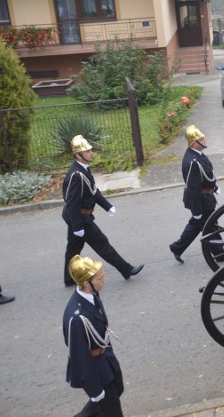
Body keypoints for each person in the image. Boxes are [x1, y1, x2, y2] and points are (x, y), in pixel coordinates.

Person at [62, 135, 142, 286]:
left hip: (79, 218)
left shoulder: (83, 170)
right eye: (87, 151)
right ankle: (126, 269)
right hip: (80, 219)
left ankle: (68, 278)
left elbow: (93, 191)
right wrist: (77, 226)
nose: (91, 153)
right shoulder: (76, 175)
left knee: (73, 249)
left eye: (90, 150)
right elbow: (71, 203)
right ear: (77, 155)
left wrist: (107, 206)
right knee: (102, 244)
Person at [64, 254, 125, 416]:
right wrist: (95, 390)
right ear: (86, 283)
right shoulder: (77, 318)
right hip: (94, 369)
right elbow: (80, 358)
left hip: (105, 360)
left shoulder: (92, 295)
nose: (103, 279)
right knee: (111, 409)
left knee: (115, 391)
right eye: (99, 277)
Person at [170, 125, 219, 263]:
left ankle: (177, 247)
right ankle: (220, 253)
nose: (205, 141)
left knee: (199, 225)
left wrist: (214, 187)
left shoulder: (199, 155)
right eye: (202, 140)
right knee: (209, 226)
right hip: (201, 200)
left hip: (206, 197)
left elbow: (207, 174)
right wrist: (197, 210)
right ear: (194, 143)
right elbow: (193, 188)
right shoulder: (192, 161)